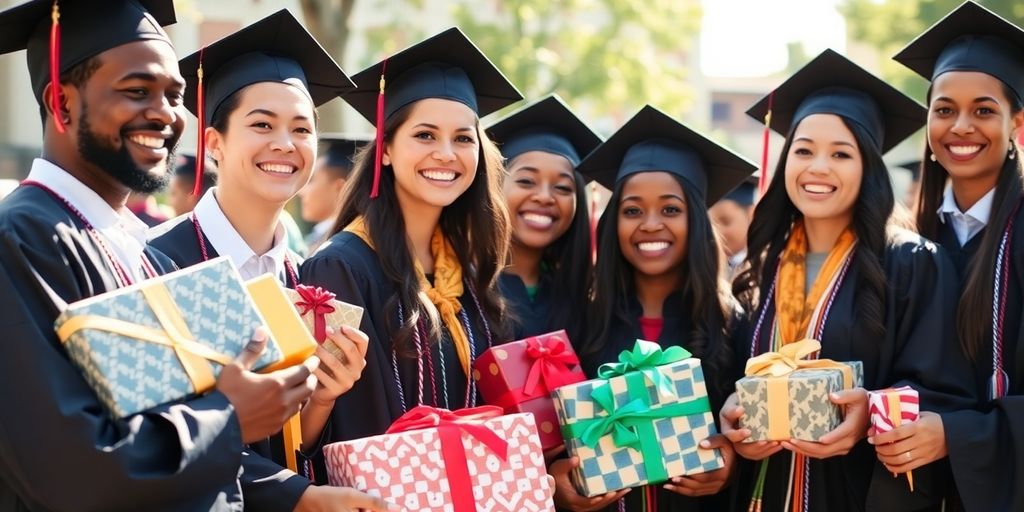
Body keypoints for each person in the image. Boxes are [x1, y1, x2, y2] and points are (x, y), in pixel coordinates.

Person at [0, 1, 328, 509]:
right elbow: (68, 467)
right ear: (61, 102)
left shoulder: (144, 254)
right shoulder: (21, 239)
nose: (166, 114)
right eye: (137, 91)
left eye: (174, 96)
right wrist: (229, 419)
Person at [721, 49, 975, 512]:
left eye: (841, 153)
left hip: (856, 493)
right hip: (763, 493)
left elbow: (946, 391)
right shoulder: (760, 271)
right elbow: (735, 378)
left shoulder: (911, 263)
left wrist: (870, 415)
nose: (818, 167)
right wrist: (733, 420)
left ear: (867, 168)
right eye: (803, 150)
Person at [147, 10, 378, 510]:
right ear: (213, 143)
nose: (285, 144)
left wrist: (323, 397)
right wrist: (298, 496)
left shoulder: (305, 276)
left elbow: (291, 442)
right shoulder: (158, 262)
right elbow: (158, 438)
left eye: (301, 129)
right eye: (262, 125)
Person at [300, 27, 522, 447]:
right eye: (425, 135)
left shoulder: (465, 269)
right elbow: (339, 427)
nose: (446, 153)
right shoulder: (341, 268)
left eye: (463, 138)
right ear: (385, 148)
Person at [550, 105, 753, 512]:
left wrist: (732, 465)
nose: (650, 224)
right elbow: (551, 439)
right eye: (632, 210)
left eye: (671, 209)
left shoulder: (733, 323)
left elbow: (752, 434)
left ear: (696, 220)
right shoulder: (576, 321)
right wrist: (556, 478)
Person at [889, 2, 1024, 510]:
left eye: (984, 110)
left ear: (1016, 124)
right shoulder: (905, 243)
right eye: (944, 110)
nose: (961, 126)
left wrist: (957, 435)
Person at [486, 94, 600, 342]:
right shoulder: (461, 286)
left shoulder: (582, 300)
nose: (545, 197)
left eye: (563, 187)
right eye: (527, 181)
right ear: (494, 186)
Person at [300, 134, 366, 252]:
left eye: (311, 181)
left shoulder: (341, 249)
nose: (301, 191)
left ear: (340, 189)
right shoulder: (319, 238)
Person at [709, 174, 757, 277]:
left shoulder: (763, 268)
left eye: (725, 221)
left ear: (751, 215)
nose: (716, 233)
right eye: (709, 224)